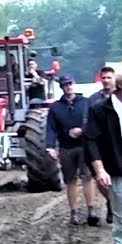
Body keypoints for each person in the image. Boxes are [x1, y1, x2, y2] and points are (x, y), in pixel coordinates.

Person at [85, 66, 122, 244]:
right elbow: (91, 141)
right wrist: (100, 170)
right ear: (121, 85)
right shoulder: (101, 109)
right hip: (118, 171)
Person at [46, 74, 98, 226]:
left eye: (70, 83)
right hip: (65, 147)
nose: (68, 86)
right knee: (70, 180)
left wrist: (82, 130)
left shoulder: (86, 103)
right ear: (61, 87)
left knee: (87, 177)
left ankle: (91, 210)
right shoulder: (55, 107)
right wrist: (50, 146)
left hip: (84, 146)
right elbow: (51, 129)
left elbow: (93, 123)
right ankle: (74, 212)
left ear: (74, 84)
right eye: (65, 84)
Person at [91, 65, 118, 223]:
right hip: (101, 144)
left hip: (119, 142)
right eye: (104, 78)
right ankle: (110, 202)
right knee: (101, 178)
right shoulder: (94, 99)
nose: (106, 80)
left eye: (109, 77)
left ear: (115, 79)